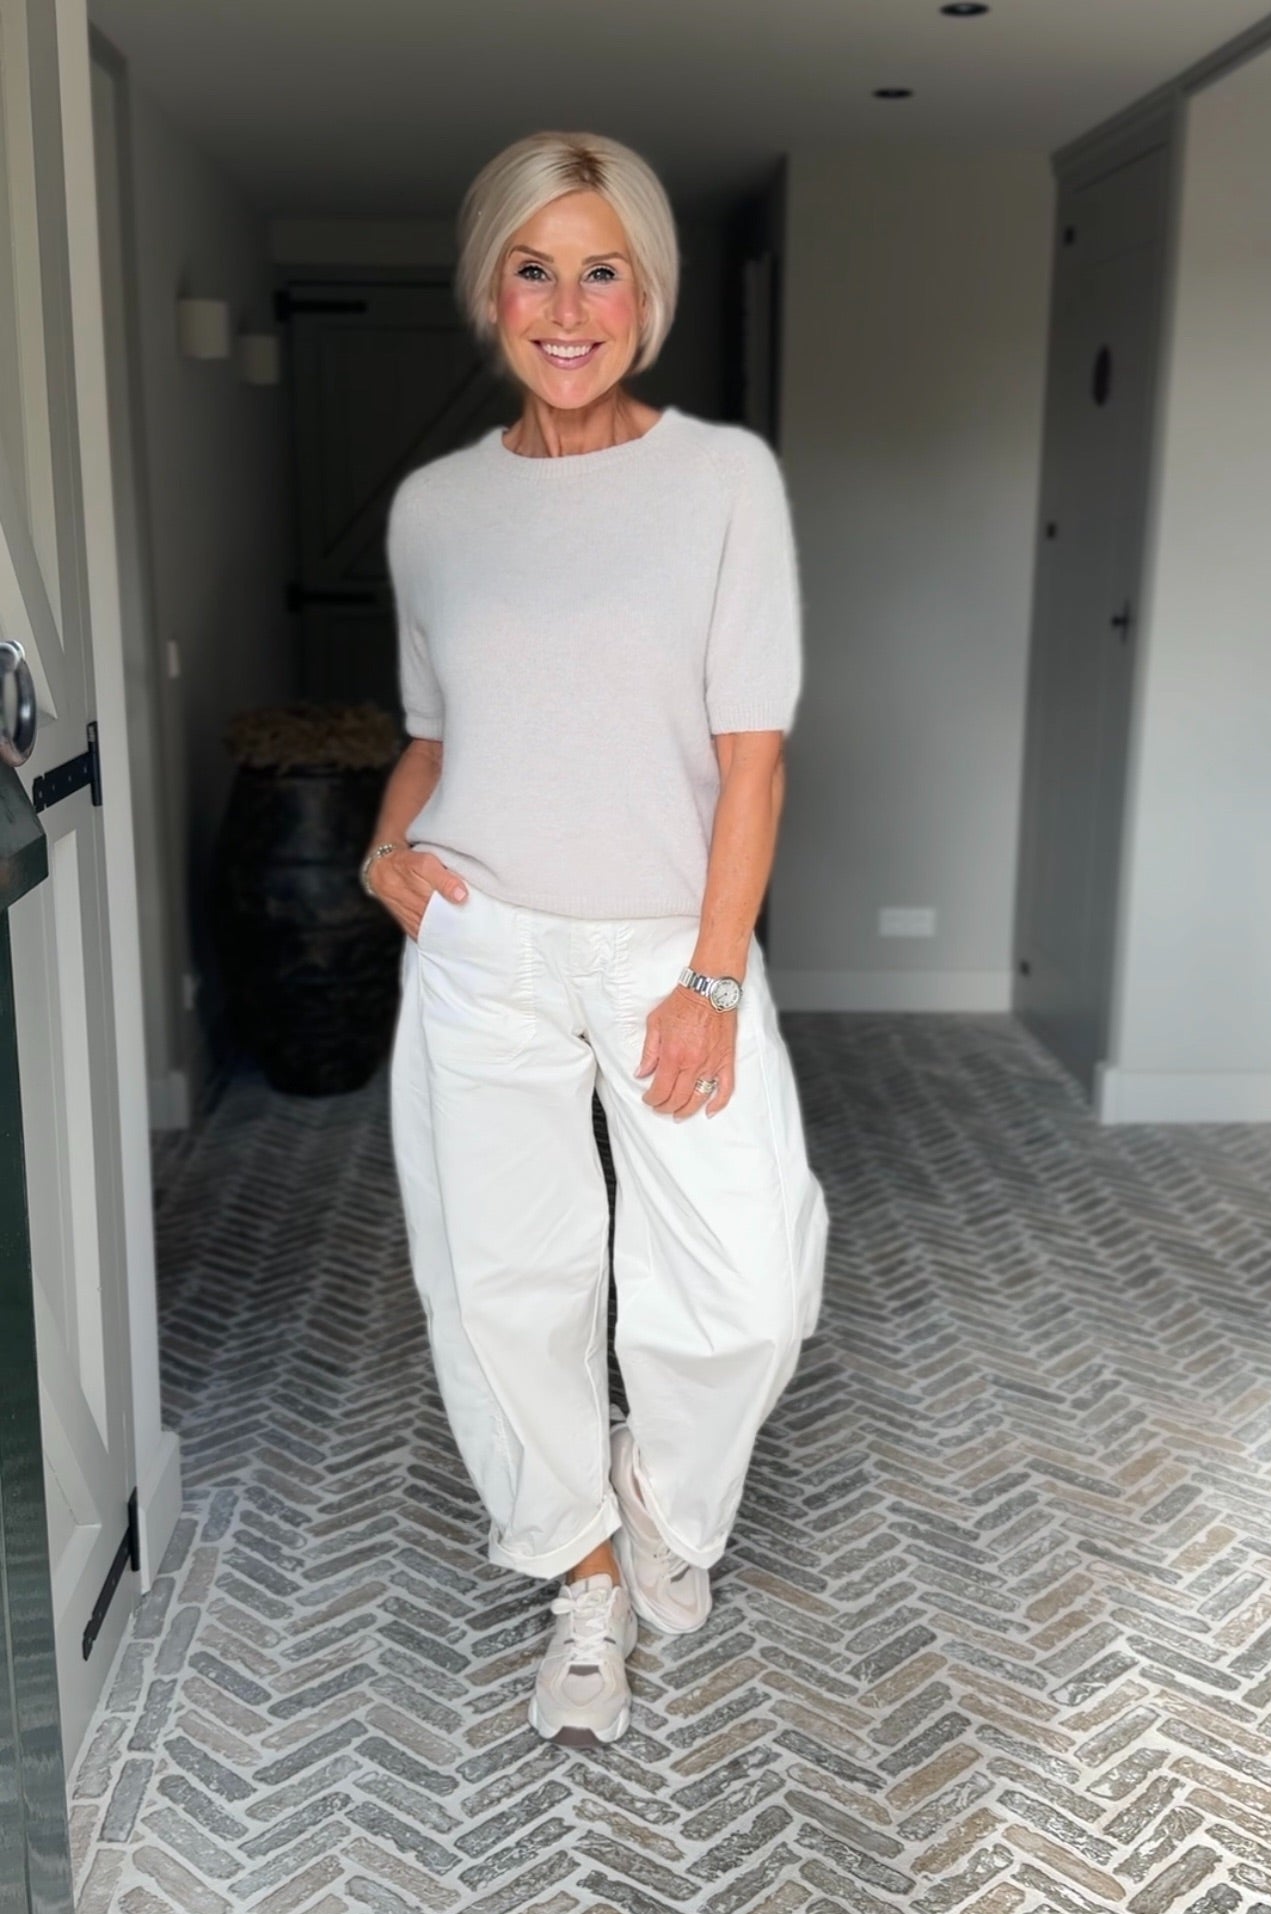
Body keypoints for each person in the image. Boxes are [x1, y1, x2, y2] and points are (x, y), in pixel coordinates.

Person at [364, 129, 829, 1748]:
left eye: (601, 271)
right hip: (482, 948)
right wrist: (384, 843)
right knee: (505, 1285)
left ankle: (661, 1507)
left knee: (746, 1285)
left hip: (664, 949)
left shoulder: (720, 481)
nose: (567, 310)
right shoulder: (433, 507)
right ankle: (579, 1570)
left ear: (649, 292)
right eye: (533, 271)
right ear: (489, 290)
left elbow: (752, 758)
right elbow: (435, 734)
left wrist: (711, 975)